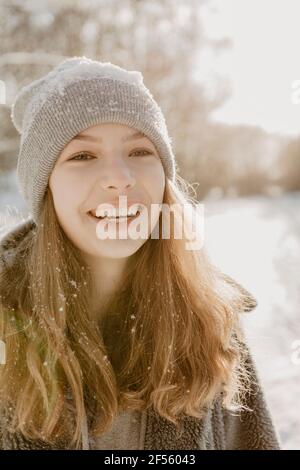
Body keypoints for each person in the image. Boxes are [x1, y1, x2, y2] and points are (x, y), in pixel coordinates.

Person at [0, 57, 281, 450]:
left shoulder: (211, 319)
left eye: (139, 152)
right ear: (45, 189)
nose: (120, 178)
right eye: (82, 156)